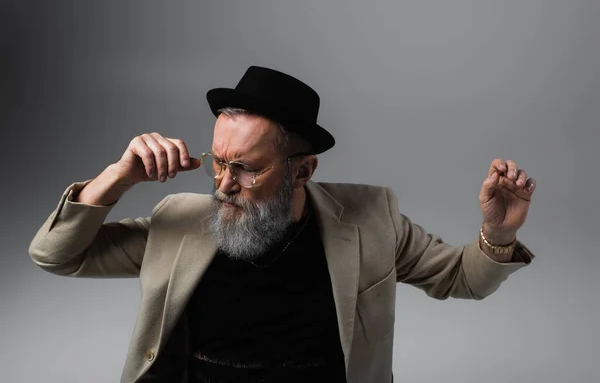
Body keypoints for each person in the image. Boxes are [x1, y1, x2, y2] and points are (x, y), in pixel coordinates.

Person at [29, 66, 536, 383]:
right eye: (218, 161)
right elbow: (56, 255)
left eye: (246, 168)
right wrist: (116, 179)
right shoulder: (178, 222)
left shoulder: (371, 219)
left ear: (303, 169)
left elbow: (462, 278)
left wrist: (501, 233)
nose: (224, 183)